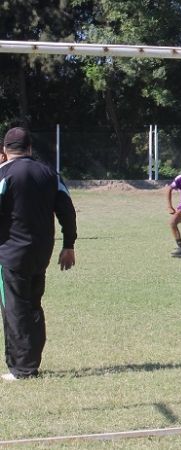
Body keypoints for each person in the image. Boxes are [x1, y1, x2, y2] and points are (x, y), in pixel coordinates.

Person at [0, 127, 77, 381]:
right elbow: (67, 209)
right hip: (42, 251)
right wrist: (69, 245)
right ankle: (30, 363)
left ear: (5, 150)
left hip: (10, 253)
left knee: (14, 308)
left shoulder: (4, 174)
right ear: (30, 148)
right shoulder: (49, 173)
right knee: (33, 304)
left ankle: (22, 369)